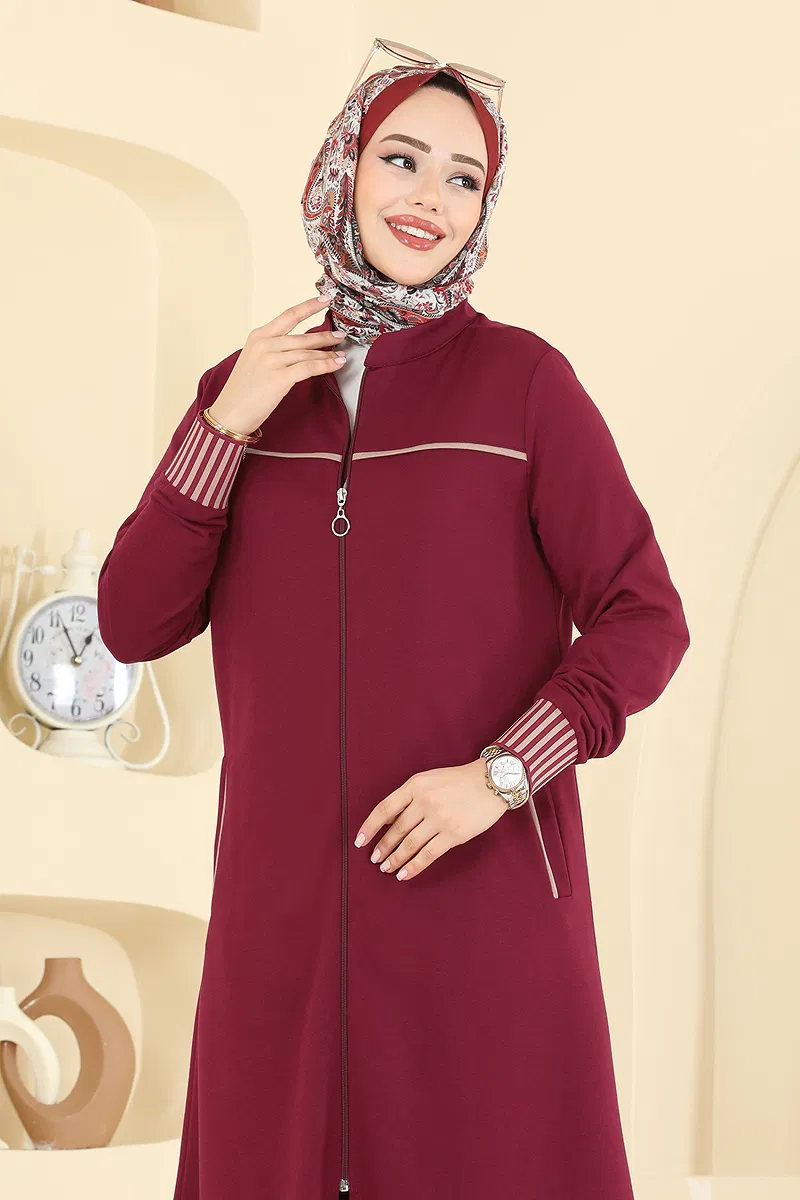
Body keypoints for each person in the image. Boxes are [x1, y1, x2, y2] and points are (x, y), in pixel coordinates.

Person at [97, 58, 690, 1200]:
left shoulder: (525, 385)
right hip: (281, 919)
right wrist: (225, 423)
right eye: (401, 160)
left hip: (478, 897)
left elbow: (644, 615)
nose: (429, 198)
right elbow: (132, 620)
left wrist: (503, 774)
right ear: (343, 170)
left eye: (464, 178)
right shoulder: (246, 387)